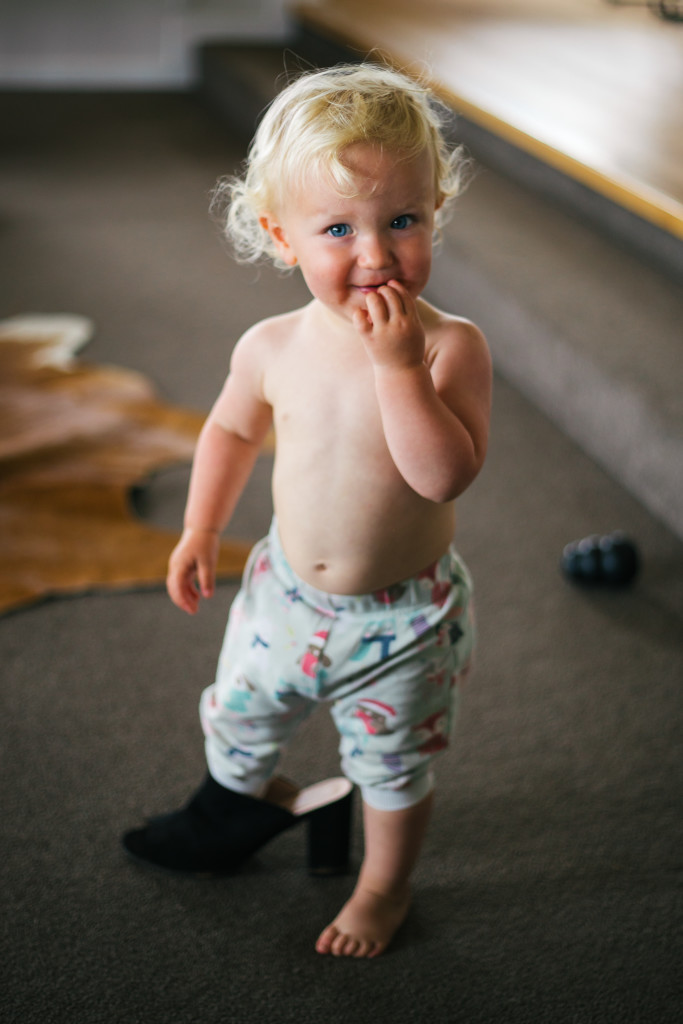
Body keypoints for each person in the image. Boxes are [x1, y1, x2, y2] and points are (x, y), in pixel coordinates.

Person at [122, 62, 492, 959]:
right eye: (337, 229)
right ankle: (259, 802)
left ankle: (382, 887)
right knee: (238, 716)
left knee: (392, 769)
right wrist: (202, 527)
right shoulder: (270, 346)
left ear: (435, 211)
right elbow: (228, 431)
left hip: (402, 622)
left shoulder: (448, 347)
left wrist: (397, 372)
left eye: (401, 220)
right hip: (283, 594)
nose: (375, 255)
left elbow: (443, 477)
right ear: (279, 236)